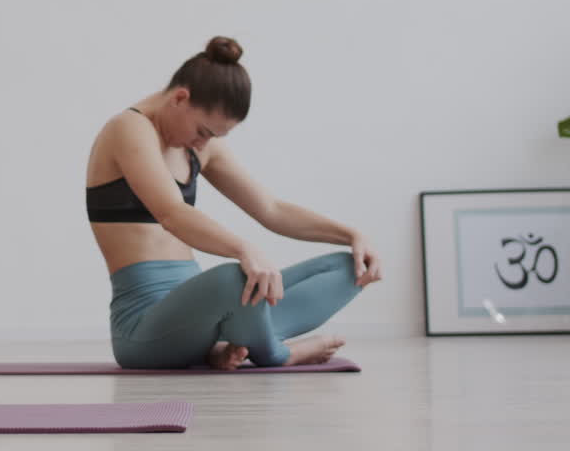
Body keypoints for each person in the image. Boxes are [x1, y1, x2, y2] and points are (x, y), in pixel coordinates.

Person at [84, 36, 382, 370]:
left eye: (213, 137)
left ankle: (227, 342)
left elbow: (270, 209)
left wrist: (352, 235)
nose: (203, 142)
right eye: (203, 131)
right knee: (235, 278)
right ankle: (278, 353)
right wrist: (244, 250)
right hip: (143, 330)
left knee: (346, 267)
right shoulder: (129, 127)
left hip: (201, 316)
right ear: (180, 98)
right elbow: (172, 213)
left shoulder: (198, 147)